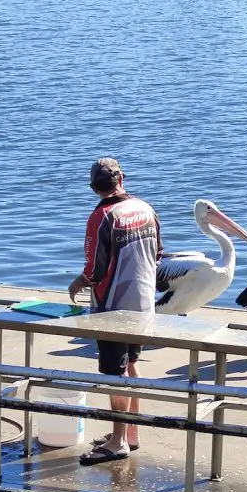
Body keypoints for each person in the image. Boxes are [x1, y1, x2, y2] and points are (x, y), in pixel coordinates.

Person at [69, 158, 162, 465]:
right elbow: (158, 253)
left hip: (113, 309)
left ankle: (118, 442)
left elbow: (95, 271)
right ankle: (131, 433)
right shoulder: (146, 208)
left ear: (93, 187)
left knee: (115, 374)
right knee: (132, 363)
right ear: (122, 178)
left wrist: (78, 283)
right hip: (144, 303)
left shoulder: (102, 216)